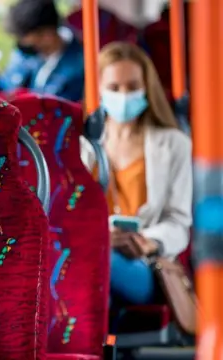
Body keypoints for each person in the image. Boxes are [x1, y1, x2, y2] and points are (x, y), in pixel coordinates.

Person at [81, 42, 192, 307]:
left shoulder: (174, 144)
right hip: (90, 251)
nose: (123, 95)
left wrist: (148, 242)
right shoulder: (81, 146)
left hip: (146, 264)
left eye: (132, 87)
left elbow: (178, 223)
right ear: (98, 90)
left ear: (147, 89)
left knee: (98, 262)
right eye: (114, 88)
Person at [0, 0, 85, 102]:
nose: (23, 45)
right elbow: (6, 88)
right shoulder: (25, 54)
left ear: (47, 34)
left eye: (29, 41)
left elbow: (58, 112)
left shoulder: (79, 65)